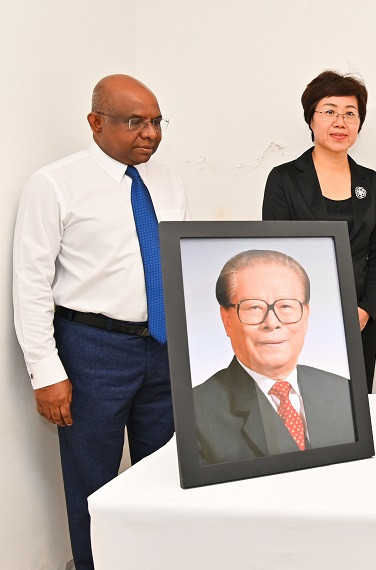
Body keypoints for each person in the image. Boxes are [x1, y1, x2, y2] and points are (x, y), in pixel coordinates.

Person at [12, 74, 188, 570]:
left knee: (164, 473)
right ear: (96, 123)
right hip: (92, 351)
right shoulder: (54, 184)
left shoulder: (168, 179)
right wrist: (46, 373)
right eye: (135, 122)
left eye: (156, 122)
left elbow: (177, 263)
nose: (149, 134)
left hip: (162, 345)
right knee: (93, 480)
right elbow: (30, 282)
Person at [262, 70, 376, 393]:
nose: (340, 122)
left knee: (355, 409)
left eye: (350, 114)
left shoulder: (373, 184)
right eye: (330, 111)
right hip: (297, 321)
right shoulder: (284, 180)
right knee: (303, 406)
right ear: (311, 119)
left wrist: (365, 310)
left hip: (357, 321)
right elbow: (275, 258)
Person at [193, 249, 355, 465]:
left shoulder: (344, 391)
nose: (272, 322)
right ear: (227, 320)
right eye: (254, 307)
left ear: (306, 316)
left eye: (286, 306)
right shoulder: (196, 411)